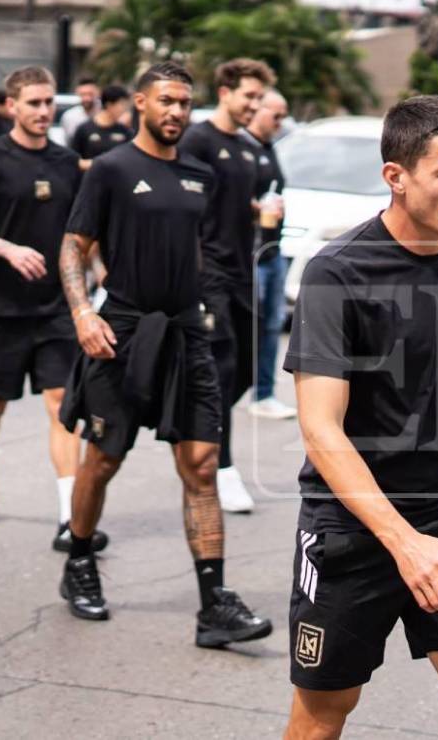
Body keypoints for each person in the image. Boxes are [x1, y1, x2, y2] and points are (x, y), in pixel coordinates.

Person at [281, 95, 438, 739]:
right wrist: (401, 542)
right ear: (395, 175)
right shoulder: (337, 272)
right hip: (351, 528)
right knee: (322, 717)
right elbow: (320, 428)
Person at [56, 61, 272, 649]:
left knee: (201, 464)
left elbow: (206, 249)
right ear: (142, 105)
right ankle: (78, 559)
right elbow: (74, 247)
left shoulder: (201, 175)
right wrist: (83, 313)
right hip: (122, 330)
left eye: (185, 102)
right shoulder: (110, 169)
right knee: (103, 458)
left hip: (186, 333)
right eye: (167, 101)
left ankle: (213, 607)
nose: (177, 111)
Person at [0, 65, 102, 551]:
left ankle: (67, 517)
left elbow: (80, 231)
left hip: (56, 308)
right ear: (12, 106)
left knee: (61, 407)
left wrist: (99, 272)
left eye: (48, 101)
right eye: (33, 103)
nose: (43, 110)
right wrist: (8, 249)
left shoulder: (65, 161)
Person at [178, 58, 273, 514]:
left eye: (259, 98)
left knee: (249, 368)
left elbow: (239, 204)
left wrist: (262, 214)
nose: (254, 104)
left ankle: (198, 420)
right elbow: (184, 205)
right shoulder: (198, 140)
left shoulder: (246, 146)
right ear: (225, 92)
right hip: (207, 272)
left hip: (242, 271)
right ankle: (223, 467)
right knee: (224, 362)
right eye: (249, 96)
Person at [243, 89, 297, 422]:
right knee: (247, 324)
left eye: (283, 117)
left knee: (272, 325)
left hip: (273, 248)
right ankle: (232, 386)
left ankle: (263, 392)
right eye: (275, 115)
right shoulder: (240, 148)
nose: (279, 123)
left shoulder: (269, 149)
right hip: (250, 252)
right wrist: (257, 208)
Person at [70, 84, 132, 170]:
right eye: (121, 104)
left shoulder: (125, 131)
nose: (124, 109)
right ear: (109, 105)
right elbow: (74, 161)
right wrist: (98, 165)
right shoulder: (84, 129)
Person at [60, 76, 100, 142]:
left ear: (97, 93)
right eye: (83, 94)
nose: (87, 98)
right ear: (77, 93)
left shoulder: (105, 113)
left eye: (90, 94)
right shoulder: (69, 117)